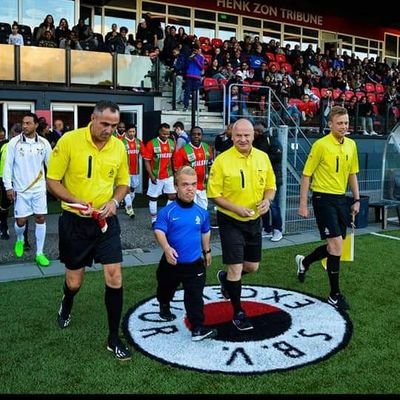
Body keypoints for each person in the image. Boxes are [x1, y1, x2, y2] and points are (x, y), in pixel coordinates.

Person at [46, 101, 132, 361]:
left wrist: (115, 202)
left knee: (115, 276)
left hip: (105, 223)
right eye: (105, 123)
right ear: (92, 118)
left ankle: (113, 338)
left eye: (114, 125)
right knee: (74, 282)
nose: (109, 130)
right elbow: (52, 181)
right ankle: (67, 301)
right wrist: (75, 201)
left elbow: (123, 183)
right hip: (75, 223)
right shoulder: (69, 141)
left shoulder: (119, 146)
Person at [207, 118, 276, 331]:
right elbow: (214, 195)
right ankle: (238, 312)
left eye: (247, 135)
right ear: (232, 136)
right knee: (235, 268)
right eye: (239, 136)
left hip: (254, 220)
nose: (243, 139)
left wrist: (268, 200)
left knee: (252, 267)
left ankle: (225, 280)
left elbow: (271, 186)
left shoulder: (263, 158)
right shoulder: (222, 161)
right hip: (231, 220)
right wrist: (236, 208)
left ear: (254, 136)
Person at [296, 106, 361, 311]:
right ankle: (334, 295)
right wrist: (303, 203)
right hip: (322, 198)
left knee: (336, 246)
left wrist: (357, 199)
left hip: (341, 199)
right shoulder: (320, 145)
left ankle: (305, 262)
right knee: (336, 246)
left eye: (346, 122)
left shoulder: (351, 145)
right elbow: (306, 175)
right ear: (330, 124)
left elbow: (352, 174)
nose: (344, 126)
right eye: (340, 123)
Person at [153, 166, 217, 341]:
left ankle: (197, 327)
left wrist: (207, 251)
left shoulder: (201, 212)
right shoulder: (167, 212)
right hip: (171, 262)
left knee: (195, 295)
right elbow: (159, 231)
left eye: (193, 184)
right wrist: (166, 248)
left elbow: (205, 232)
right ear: (176, 186)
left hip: (194, 263)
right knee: (165, 289)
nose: (190, 188)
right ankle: (164, 305)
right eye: (185, 184)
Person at [3, 113, 52, 266]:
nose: (24, 126)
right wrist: (8, 187)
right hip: (21, 190)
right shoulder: (14, 143)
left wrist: (53, 184)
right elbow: (7, 166)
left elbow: (50, 166)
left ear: (36, 125)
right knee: (20, 221)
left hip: (39, 189)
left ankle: (39, 253)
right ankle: (19, 239)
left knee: (40, 218)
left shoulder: (44, 143)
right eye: (23, 123)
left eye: (28, 123)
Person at [253, 121, 283, 242]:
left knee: (273, 205)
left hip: (273, 178)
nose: (256, 132)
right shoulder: (254, 142)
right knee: (262, 205)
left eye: (257, 130)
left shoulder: (272, 141)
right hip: (259, 178)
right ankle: (267, 228)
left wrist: (262, 158)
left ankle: (278, 230)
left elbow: (277, 157)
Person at [173, 126, 213, 210]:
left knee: (203, 210)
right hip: (189, 187)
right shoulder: (183, 151)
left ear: (202, 136)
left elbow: (210, 166)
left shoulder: (207, 148)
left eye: (199, 134)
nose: (196, 136)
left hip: (203, 187)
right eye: (194, 134)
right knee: (190, 210)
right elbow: (177, 171)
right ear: (190, 135)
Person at [143, 122, 176, 225]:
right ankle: (154, 220)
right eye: (163, 133)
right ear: (159, 132)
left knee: (173, 197)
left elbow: (173, 159)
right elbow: (147, 161)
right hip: (156, 176)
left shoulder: (171, 143)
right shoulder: (151, 143)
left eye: (167, 134)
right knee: (153, 197)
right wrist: (151, 175)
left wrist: (175, 173)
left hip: (168, 175)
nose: (166, 136)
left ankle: (164, 216)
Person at [121, 123, 143, 218]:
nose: (132, 133)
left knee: (133, 188)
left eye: (133, 131)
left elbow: (145, 154)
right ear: (126, 132)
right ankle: (130, 209)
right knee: (127, 189)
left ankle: (127, 204)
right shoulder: (121, 142)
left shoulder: (139, 142)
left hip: (136, 170)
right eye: (130, 131)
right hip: (125, 171)